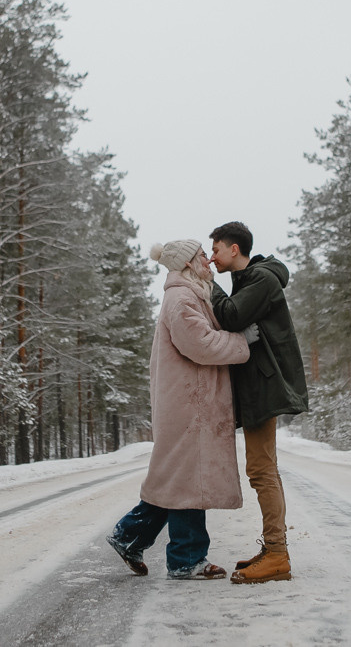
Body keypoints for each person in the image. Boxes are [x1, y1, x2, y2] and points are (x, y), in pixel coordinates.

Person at [107, 239, 253, 580]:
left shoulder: (190, 293)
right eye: (201, 254)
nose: (207, 259)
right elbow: (200, 345)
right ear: (187, 263)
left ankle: (130, 535)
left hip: (190, 400)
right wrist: (243, 341)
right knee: (190, 480)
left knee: (179, 477)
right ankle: (186, 558)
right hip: (190, 403)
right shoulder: (182, 297)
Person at [208, 221, 309, 584]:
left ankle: (278, 555)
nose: (211, 258)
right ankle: (273, 549)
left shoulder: (261, 280)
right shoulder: (251, 280)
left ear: (234, 249)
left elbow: (230, 316)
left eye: (216, 250)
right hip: (258, 386)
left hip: (265, 387)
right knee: (262, 469)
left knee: (262, 470)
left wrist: (207, 286)